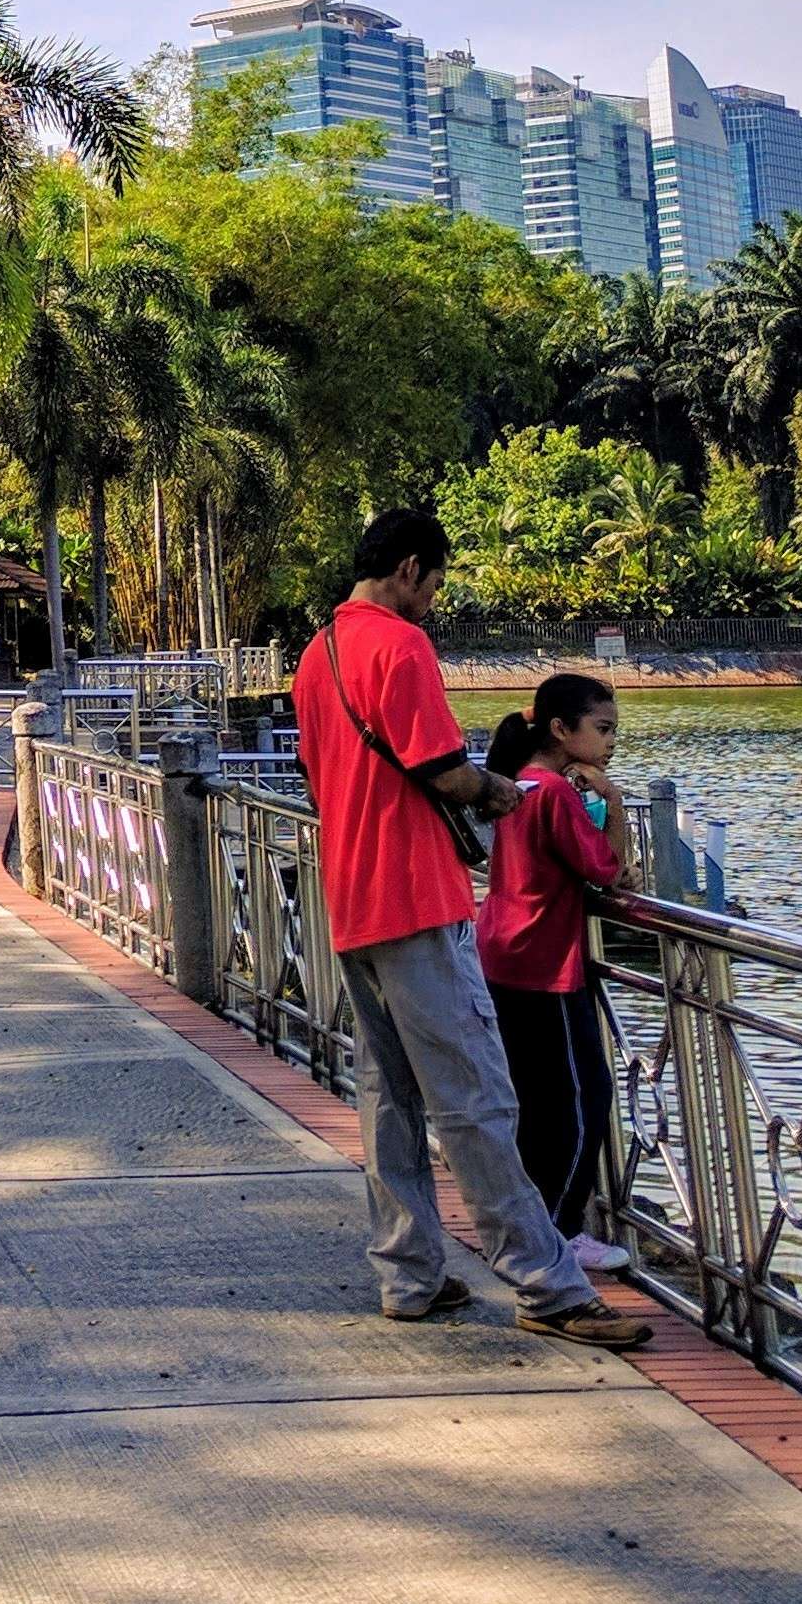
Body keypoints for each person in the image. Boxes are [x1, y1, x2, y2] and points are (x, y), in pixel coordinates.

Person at [288, 508, 649, 1349]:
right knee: (477, 1098)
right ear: (411, 568)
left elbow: (316, 774)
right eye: (437, 583)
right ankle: (547, 1283)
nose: (434, 600)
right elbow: (443, 770)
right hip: (416, 895)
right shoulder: (400, 645)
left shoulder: (318, 652)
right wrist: (502, 793)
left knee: (389, 1098)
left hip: (350, 897)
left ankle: (409, 1273)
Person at [483, 674, 633, 1276]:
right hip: (543, 964)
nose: (610, 741)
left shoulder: (519, 784)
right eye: (602, 728)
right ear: (560, 729)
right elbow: (607, 868)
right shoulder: (552, 793)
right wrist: (613, 803)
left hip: (505, 952)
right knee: (582, 1099)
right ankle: (561, 1229)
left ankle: (530, 1224)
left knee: (533, 1100)